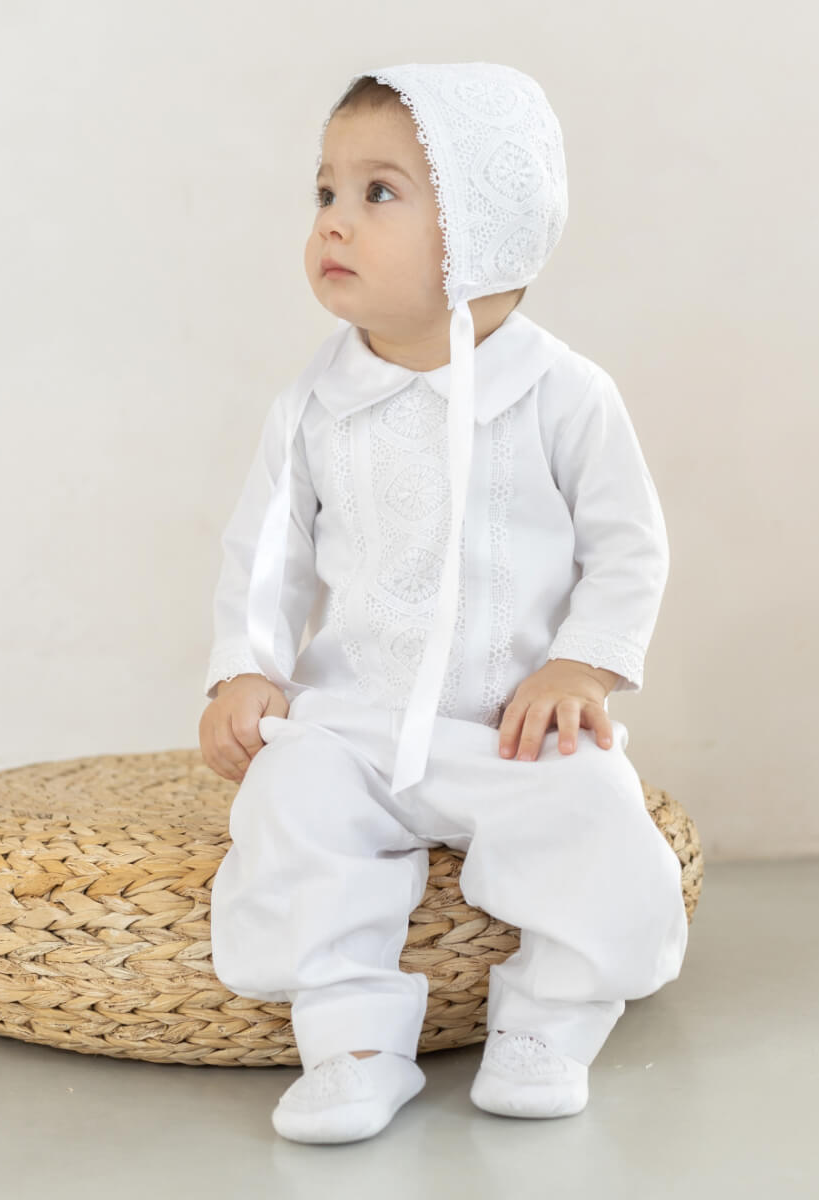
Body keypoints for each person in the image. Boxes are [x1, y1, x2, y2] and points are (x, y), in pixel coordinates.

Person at [198, 62, 688, 1145]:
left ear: (485, 226)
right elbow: (268, 553)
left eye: (378, 194)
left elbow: (627, 547)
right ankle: (352, 1039)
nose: (333, 219)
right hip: (357, 721)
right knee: (289, 807)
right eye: (325, 190)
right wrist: (248, 661)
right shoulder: (315, 403)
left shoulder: (563, 394)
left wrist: (583, 667)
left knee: (597, 815)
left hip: (513, 724)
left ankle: (553, 1017)